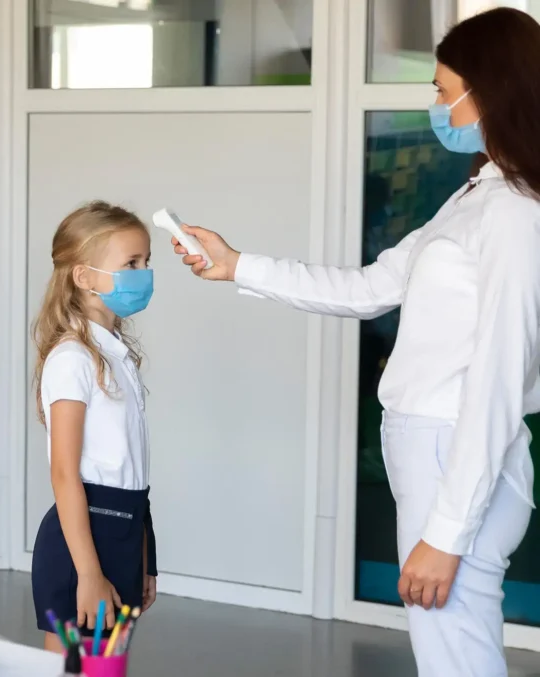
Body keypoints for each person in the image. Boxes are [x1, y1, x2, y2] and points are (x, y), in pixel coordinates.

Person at [172, 8, 540, 676]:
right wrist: (236, 265)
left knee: (455, 659)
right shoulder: (474, 199)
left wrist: (446, 533)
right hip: (435, 451)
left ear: (484, 94)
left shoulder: (514, 213)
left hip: (452, 455)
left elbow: (497, 377)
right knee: (451, 653)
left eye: (441, 88)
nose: (435, 103)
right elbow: (368, 287)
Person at [30, 201, 158, 653]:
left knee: (108, 665)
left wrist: (146, 559)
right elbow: (65, 473)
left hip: (123, 535)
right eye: (130, 264)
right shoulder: (72, 359)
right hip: (83, 546)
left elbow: (133, 471)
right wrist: (88, 573)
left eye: (146, 262)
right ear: (83, 277)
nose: (143, 273)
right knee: (75, 667)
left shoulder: (116, 355)